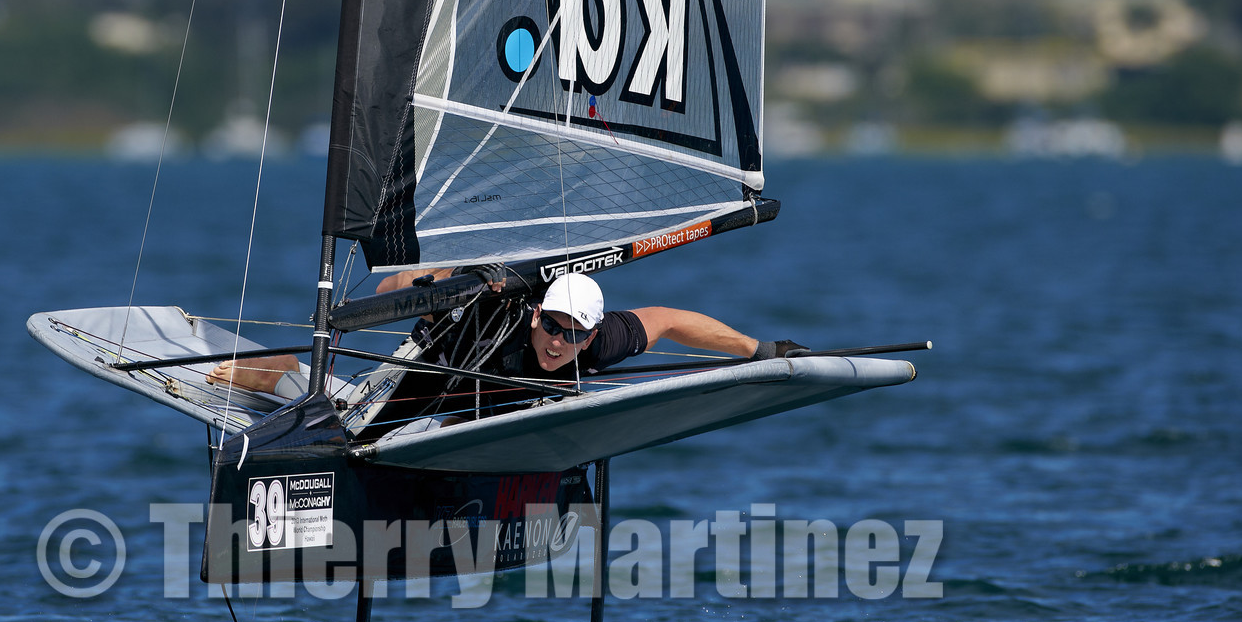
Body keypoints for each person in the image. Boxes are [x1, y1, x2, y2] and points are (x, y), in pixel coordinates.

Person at [208, 270, 802, 416]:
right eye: (551, 328)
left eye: (573, 336)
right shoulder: (492, 312)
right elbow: (414, 282)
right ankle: (236, 368)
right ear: (536, 314)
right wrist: (353, 315)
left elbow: (670, 318)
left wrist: (756, 351)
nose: (557, 345)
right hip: (413, 391)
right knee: (335, 407)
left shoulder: (596, 341)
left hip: (476, 418)